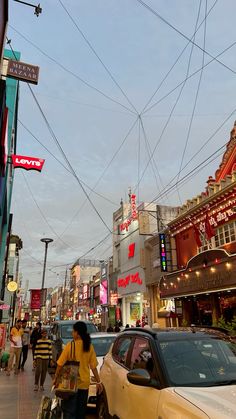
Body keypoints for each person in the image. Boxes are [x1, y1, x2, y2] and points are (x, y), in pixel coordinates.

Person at [54, 321, 102, 419]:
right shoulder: (89, 346)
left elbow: (59, 364)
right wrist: (98, 381)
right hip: (84, 384)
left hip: (71, 384)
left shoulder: (70, 346)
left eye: (73, 331)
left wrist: (56, 378)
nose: (72, 333)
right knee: (81, 411)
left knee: (69, 411)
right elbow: (93, 367)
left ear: (78, 333)